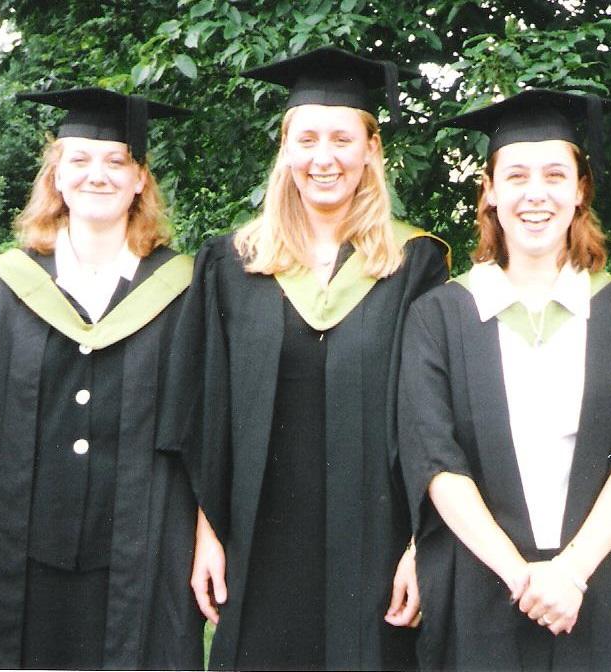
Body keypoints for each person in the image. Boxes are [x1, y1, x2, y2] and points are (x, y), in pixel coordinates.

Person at [398, 89, 611, 671]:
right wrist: (524, 579)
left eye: (555, 175)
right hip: (480, 592)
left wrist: (570, 574)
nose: (535, 193)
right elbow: (435, 460)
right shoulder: (439, 318)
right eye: (516, 175)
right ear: (489, 190)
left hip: (600, 589)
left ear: (580, 189)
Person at [167, 46, 450, 670]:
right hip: (258, 535)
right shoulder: (231, 263)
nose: (325, 158)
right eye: (308, 139)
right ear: (286, 149)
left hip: (377, 538)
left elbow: (433, 420)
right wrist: (206, 532)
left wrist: (420, 546)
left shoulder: (415, 265)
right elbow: (205, 408)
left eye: (343, 139)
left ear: (371, 150)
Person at [0, 87, 202, 669]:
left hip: (141, 551)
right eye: (79, 159)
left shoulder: (183, 290)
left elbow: (203, 425)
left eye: (116, 161)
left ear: (140, 180)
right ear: (56, 176)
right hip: (18, 550)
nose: (96, 175)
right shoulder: (2, 287)